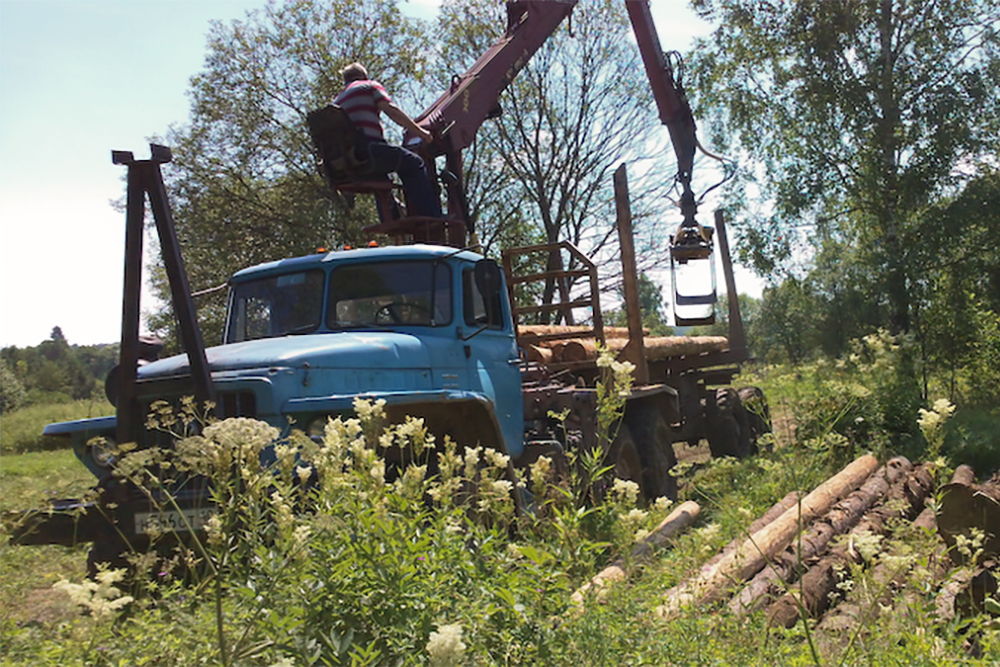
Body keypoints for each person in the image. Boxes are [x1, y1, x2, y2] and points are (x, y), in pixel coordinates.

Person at [334, 62, 443, 219]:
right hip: (369, 149)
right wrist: (423, 134)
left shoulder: (338, 100)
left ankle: (392, 217)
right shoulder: (369, 86)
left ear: (345, 80)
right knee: (414, 164)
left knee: (383, 177)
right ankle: (431, 216)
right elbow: (391, 111)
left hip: (350, 160)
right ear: (364, 76)